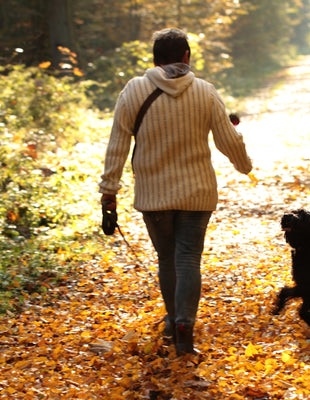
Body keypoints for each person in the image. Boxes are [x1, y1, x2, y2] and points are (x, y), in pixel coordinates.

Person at [99, 28, 253, 355]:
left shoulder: (134, 91)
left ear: (154, 59)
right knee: (188, 259)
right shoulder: (205, 92)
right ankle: (184, 324)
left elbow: (117, 144)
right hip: (197, 194)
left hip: (154, 195)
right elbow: (229, 140)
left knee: (167, 258)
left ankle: (172, 320)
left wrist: (109, 189)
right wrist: (245, 166)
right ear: (186, 57)